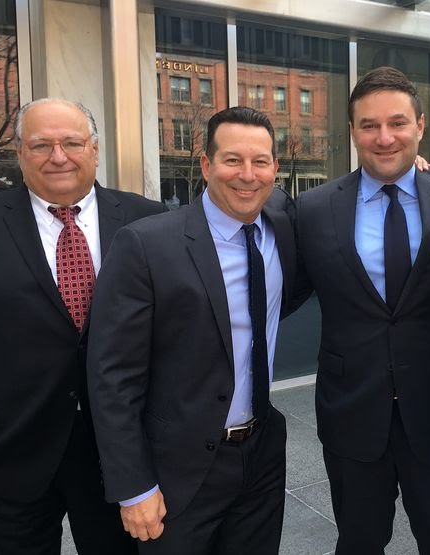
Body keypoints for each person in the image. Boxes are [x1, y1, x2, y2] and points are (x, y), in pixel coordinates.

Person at [0, 98, 165, 554]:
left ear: (95, 150)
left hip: (119, 458)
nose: (58, 156)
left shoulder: (150, 220)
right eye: (41, 144)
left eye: (72, 143)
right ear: (20, 152)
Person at [86, 106, 296, 554]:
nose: (247, 174)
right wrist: (134, 486)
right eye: (232, 160)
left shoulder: (281, 220)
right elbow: (112, 376)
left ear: (275, 168)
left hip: (260, 453)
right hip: (176, 466)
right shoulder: (146, 245)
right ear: (205, 164)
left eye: (260, 161)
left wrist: (410, 168)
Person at [293, 66, 430, 554]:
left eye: (397, 123)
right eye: (369, 125)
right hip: (352, 410)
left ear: (421, 126)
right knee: (358, 542)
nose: (384, 138)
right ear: (352, 131)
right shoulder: (312, 208)